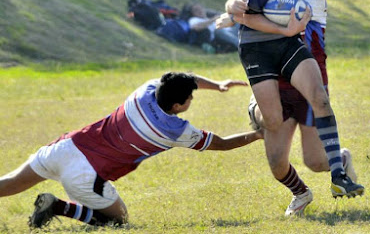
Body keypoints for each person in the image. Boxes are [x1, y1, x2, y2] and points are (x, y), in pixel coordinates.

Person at [0, 72, 263, 229]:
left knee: (9, 182)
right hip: (85, 175)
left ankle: (56, 205)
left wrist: (215, 84)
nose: (192, 100)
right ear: (178, 105)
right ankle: (58, 206)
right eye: (190, 98)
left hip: (65, 147)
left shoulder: (144, 91)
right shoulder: (175, 131)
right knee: (119, 221)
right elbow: (223, 143)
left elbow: (177, 77)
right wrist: (260, 134)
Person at [226, 0, 364, 200]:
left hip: (286, 42)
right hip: (258, 47)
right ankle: (259, 109)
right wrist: (232, 5)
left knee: (320, 97)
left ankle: (339, 176)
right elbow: (246, 15)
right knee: (273, 123)